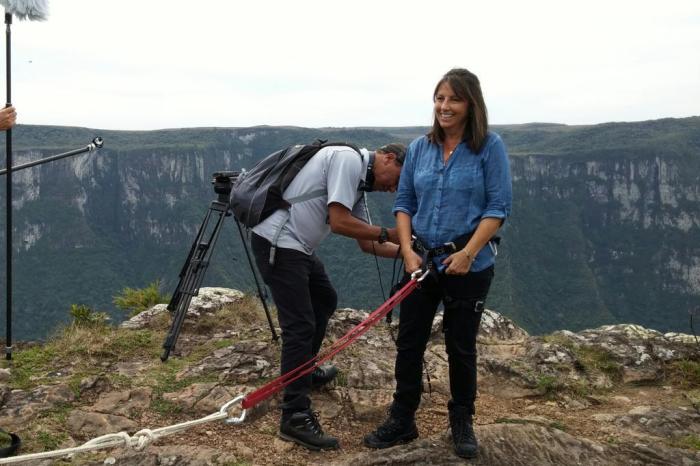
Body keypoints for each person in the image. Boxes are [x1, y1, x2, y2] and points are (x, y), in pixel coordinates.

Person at [364, 68, 512, 459]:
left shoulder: (489, 147)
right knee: (409, 342)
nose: (444, 106)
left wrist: (467, 254)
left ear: (471, 105)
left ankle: (461, 420)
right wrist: (409, 251)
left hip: (469, 263)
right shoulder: (419, 148)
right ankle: (402, 417)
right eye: (439, 98)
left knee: (460, 346)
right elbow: (404, 202)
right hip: (422, 259)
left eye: (453, 99)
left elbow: (498, 208)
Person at [250, 142, 407, 451]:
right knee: (301, 325)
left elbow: (366, 243)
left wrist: (410, 254)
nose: (393, 189)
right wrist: (390, 233)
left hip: (297, 247)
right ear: (388, 158)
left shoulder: (358, 183)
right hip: (278, 243)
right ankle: (294, 415)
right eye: (398, 179)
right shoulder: (347, 161)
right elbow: (340, 223)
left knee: (324, 300)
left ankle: (304, 370)